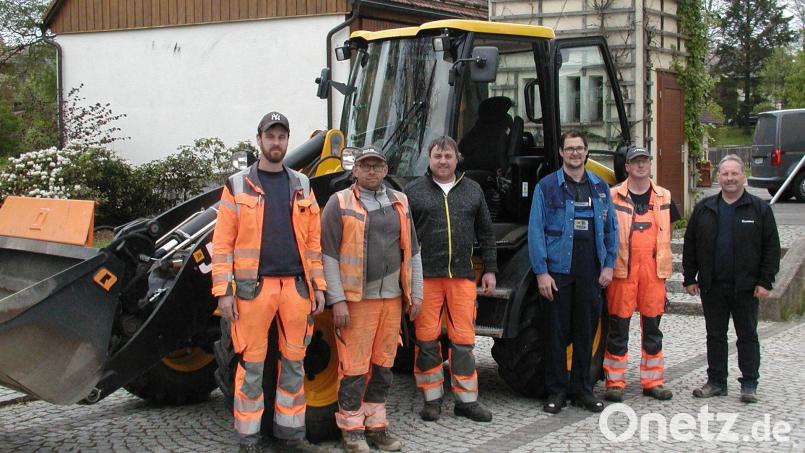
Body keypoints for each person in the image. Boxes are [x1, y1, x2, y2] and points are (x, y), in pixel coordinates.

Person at [211, 112, 326, 453]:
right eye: (270, 136)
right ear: (259, 139)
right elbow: (222, 245)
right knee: (251, 363)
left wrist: (318, 286)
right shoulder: (237, 185)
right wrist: (223, 292)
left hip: (296, 287)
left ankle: (290, 435)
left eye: (282, 137)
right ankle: (249, 437)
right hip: (253, 289)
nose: (276, 143)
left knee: (294, 360)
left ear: (287, 141)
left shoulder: (302, 185)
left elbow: (314, 243)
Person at [320, 146, 424, 453]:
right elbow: (327, 254)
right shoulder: (338, 203)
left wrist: (416, 293)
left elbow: (412, 250)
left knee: (383, 365)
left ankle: (377, 425)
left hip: (392, 299)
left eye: (377, 166)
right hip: (356, 301)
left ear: (386, 169)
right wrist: (336, 299)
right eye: (365, 166)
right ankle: (351, 430)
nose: (371, 171)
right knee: (353, 367)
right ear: (355, 171)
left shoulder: (400, 202)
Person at [404, 135, 497, 423]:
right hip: (426, 279)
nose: (443, 161)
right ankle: (432, 399)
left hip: (461, 277)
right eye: (437, 156)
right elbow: (404, 237)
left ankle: (466, 401)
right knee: (427, 339)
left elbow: (486, 231)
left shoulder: (472, 190)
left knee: (463, 340)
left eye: (448, 156)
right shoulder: (413, 192)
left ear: (457, 159)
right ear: (429, 159)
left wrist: (491, 269)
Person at [528, 130, 618, 414]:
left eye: (579, 148)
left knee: (585, 332)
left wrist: (609, 265)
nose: (575, 153)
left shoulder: (600, 188)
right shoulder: (547, 187)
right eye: (570, 149)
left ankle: (583, 390)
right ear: (561, 152)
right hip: (558, 272)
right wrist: (541, 272)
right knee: (555, 333)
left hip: (591, 271)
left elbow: (611, 229)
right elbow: (536, 231)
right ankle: (556, 392)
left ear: (587, 152)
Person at [683, 154, 780, 404]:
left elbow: (771, 247)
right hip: (712, 285)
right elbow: (690, 243)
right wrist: (689, 277)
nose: (729, 179)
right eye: (725, 174)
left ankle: (749, 383)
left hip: (746, 287)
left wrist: (765, 281)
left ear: (743, 177)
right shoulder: (705, 208)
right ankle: (716, 381)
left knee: (747, 334)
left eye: (734, 174)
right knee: (715, 335)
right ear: (719, 177)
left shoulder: (759, 209)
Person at [603, 147, 680, 403]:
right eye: (635, 162)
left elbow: (671, 230)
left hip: (654, 271)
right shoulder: (612, 196)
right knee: (618, 329)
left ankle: (653, 381)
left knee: (653, 330)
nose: (640, 166)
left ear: (650, 164)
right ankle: (614, 382)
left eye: (644, 161)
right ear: (627, 166)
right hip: (622, 271)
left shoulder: (665, 197)